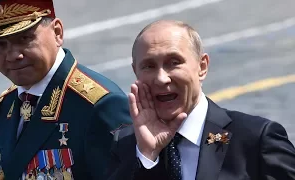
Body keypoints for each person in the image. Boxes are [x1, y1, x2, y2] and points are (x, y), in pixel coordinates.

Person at [106, 20, 295, 180]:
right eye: (148, 66)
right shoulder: (126, 145)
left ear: (202, 66)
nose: (161, 78)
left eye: (174, 62)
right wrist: (147, 158)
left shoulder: (255, 139)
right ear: (135, 72)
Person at [0, 0, 132, 179]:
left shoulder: (100, 106)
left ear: (57, 32)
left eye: (24, 38)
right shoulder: (6, 106)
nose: (13, 56)